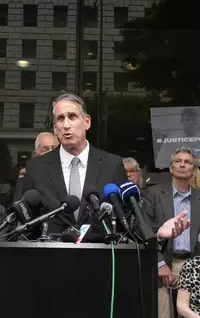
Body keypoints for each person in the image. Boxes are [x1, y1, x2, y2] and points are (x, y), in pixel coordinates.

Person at [143, 146, 200, 318]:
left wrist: (196, 269)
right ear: (171, 167)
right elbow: (145, 230)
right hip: (163, 262)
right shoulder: (154, 194)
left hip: (193, 265)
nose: (183, 164)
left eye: (188, 162)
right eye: (178, 161)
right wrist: (160, 263)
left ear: (194, 170)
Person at [21, 93, 126, 237]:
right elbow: (27, 224)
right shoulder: (36, 168)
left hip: (100, 256)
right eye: (60, 119)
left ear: (87, 122)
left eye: (72, 117)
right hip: (50, 256)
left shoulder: (112, 165)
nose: (66, 125)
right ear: (55, 128)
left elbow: (123, 220)